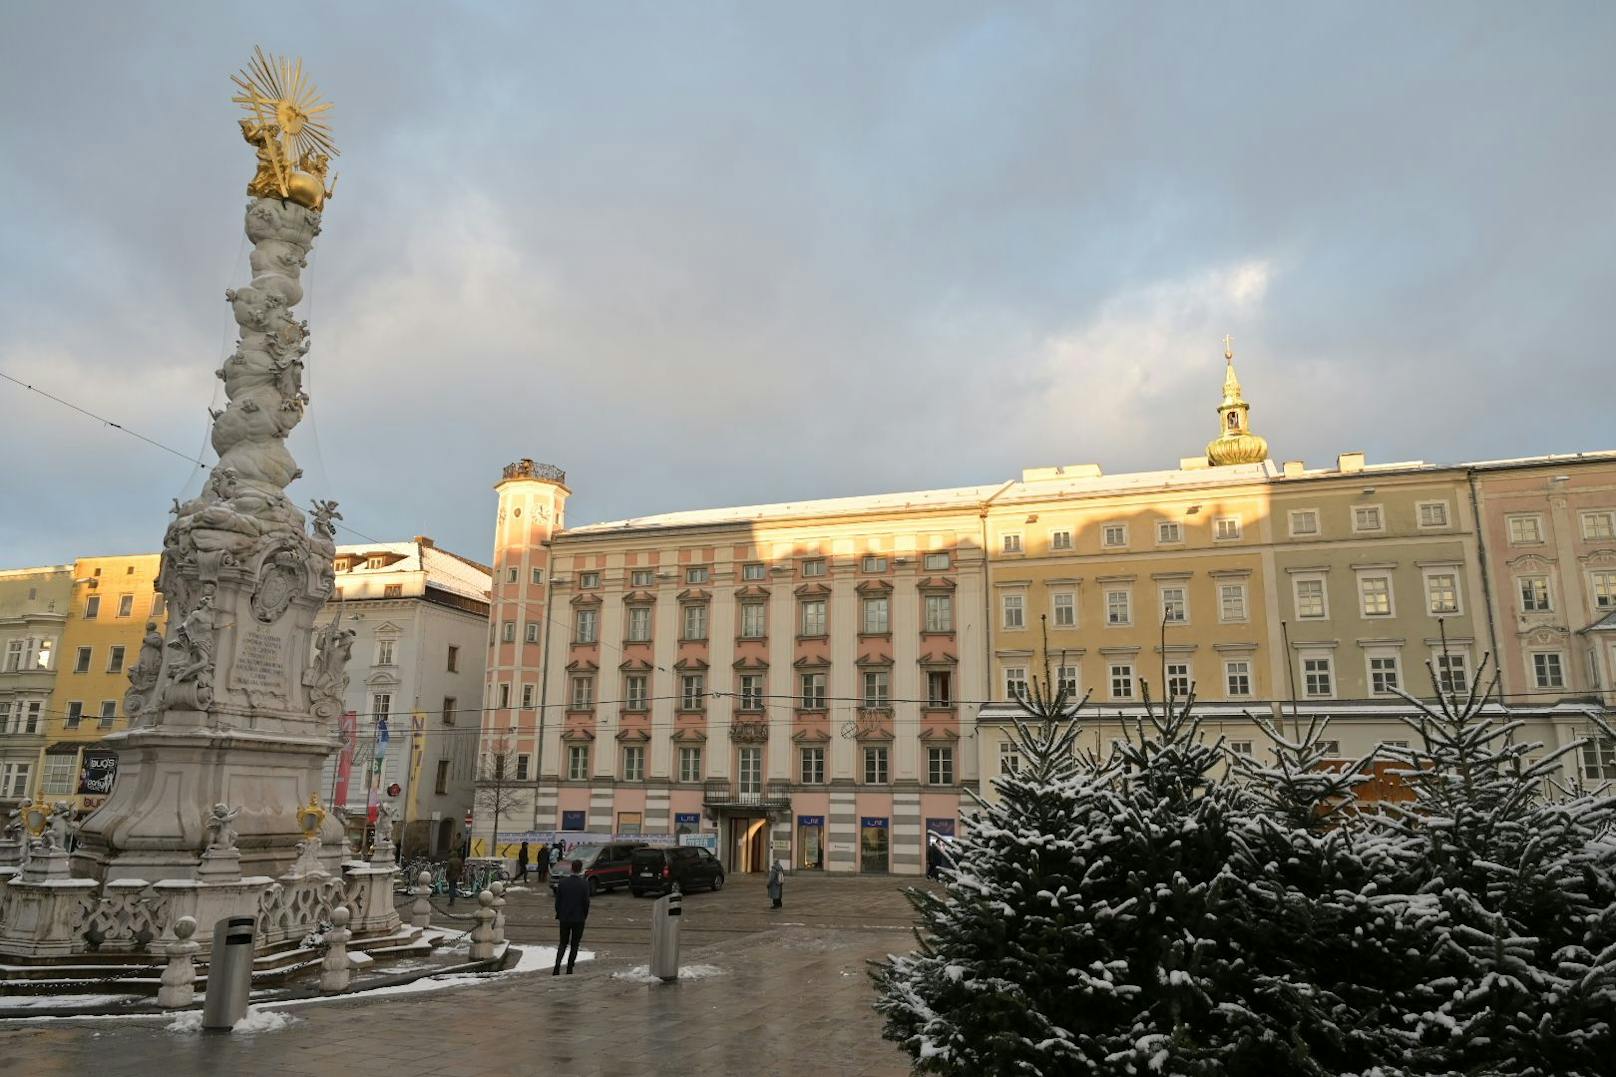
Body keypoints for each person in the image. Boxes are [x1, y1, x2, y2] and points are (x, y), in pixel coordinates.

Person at [553, 858, 590, 976]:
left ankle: (557, 966)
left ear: (571, 868)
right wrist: (584, 915)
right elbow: (586, 903)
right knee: (575, 944)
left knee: (562, 943)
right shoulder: (584, 884)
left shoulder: (563, 883)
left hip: (564, 918)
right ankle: (569, 968)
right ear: (580, 870)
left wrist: (559, 913)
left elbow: (557, 902)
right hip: (578, 919)